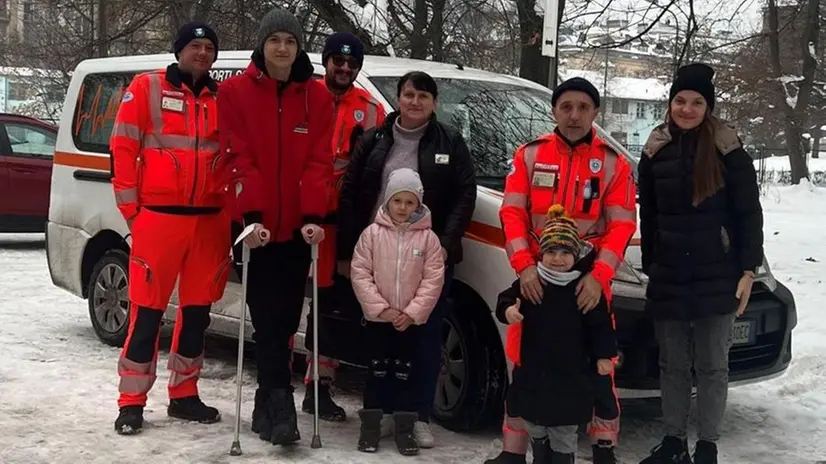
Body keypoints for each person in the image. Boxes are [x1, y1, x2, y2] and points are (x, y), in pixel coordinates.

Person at [493, 77, 637, 464]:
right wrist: (524, 268)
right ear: (554, 110)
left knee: (596, 365)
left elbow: (623, 223)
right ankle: (514, 449)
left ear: (595, 112)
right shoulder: (529, 155)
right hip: (538, 272)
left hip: (587, 276)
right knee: (525, 361)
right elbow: (511, 212)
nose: (574, 115)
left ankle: (603, 446)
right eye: (566, 107)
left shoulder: (613, 163)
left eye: (584, 107)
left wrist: (598, 276)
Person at [337, 71, 477, 447]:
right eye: (409, 94)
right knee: (381, 345)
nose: (415, 102)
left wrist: (445, 243)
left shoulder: (451, 141)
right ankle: (381, 414)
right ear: (398, 99)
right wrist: (347, 251)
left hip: (427, 255)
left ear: (434, 103)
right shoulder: (375, 140)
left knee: (424, 340)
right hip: (378, 253)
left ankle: (416, 417)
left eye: (424, 96)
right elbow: (351, 194)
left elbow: (466, 194)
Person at [218, 8, 334, 446]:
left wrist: (312, 216)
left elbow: (320, 160)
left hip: (297, 230)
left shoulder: (317, 97)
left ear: (298, 46)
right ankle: (281, 402)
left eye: (289, 40)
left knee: (286, 317)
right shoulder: (234, 93)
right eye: (274, 41)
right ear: (261, 46)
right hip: (255, 226)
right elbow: (237, 155)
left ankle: (266, 404)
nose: (282, 48)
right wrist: (253, 216)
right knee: (265, 315)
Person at [637, 63, 764, 464]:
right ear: (670, 103)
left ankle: (707, 445)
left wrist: (747, 270)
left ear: (707, 107)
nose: (686, 109)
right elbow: (650, 216)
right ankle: (674, 442)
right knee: (672, 364)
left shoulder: (729, 150)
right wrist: (651, 265)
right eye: (680, 101)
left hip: (718, 273)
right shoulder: (655, 150)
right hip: (671, 272)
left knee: (711, 365)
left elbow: (748, 213)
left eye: (696, 102)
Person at [110, 21, 228, 435]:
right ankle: (132, 401)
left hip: (209, 224)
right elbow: (122, 147)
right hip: (158, 220)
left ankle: (184, 395)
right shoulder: (147, 87)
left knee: (197, 316)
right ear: (180, 50)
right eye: (195, 46)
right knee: (146, 316)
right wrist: (132, 213)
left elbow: (233, 160)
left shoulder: (222, 98)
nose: (202, 53)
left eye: (209, 47)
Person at [302, 31, 387, 423]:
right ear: (326, 61)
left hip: (341, 224)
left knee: (329, 306)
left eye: (352, 64)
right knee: (287, 301)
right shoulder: (303, 95)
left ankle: (318, 385)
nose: (345, 68)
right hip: (297, 218)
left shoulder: (371, 111)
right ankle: (274, 382)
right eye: (338, 61)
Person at [497, 205, 617, 464]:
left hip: (570, 378)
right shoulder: (530, 282)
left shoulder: (583, 287)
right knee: (536, 427)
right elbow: (505, 299)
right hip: (535, 373)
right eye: (551, 251)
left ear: (575, 255)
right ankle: (541, 455)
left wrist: (604, 356)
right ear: (541, 253)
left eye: (565, 252)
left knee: (563, 433)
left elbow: (600, 325)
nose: (558, 259)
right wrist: (508, 310)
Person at [350, 168, 446, 456]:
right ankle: (372, 427)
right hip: (380, 320)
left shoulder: (428, 239)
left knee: (407, 374)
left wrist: (413, 313)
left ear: (419, 204)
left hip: (410, 323)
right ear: (387, 201)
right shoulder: (372, 235)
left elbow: (433, 280)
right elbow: (360, 273)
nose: (403, 208)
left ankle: (405, 429)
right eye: (397, 201)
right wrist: (381, 309)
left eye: (409, 202)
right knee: (377, 372)